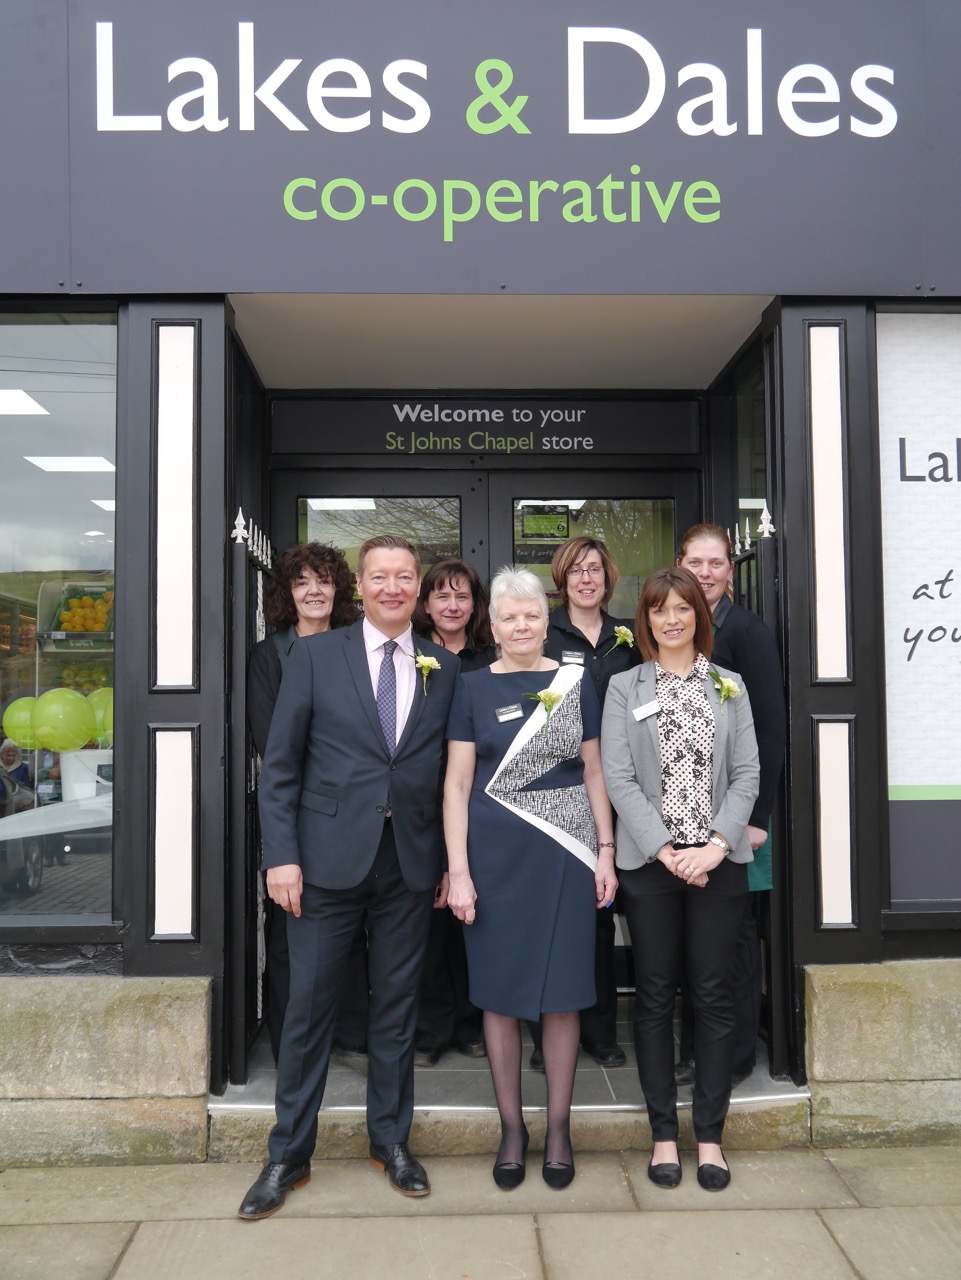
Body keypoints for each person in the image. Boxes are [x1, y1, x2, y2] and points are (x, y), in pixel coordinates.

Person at [238, 535, 460, 1220]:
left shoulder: (444, 668)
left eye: (404, 577)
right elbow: (281, 766)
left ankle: (390, 1141)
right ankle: (287, 1154)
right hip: (322, 863)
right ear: (359, 587)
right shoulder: (314, 656)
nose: (393, 588)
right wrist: (281, 856)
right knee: (307, 1010)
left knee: (396, 1007)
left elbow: (447, 775)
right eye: (379, 577)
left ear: (417, 587)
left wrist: (448, 864)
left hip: (408, 865)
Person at [445, 568, 618, 1191]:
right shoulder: (468, 688)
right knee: (498, 993)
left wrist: (605, 852)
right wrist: (458, 872)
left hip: (567, 855)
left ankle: (561, 1128)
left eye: (532, 616)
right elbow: (457, 785)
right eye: (509, 617)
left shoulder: (576, 680)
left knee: (564, 992)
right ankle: (513, 1129)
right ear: (492, 627)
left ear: (548, 622)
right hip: (493, 862)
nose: (521, 626)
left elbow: (594, 772)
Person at [601, 567, 759, 1192]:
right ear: (646, 619)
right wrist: (666, 851)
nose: (671, 620)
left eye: (682, 608)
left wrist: (715, 846)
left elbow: (747, 773)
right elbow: (618, 777)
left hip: (717, 865)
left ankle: (710, 1136)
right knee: (654, 995)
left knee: (714, 995)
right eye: (659, 609)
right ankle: (663, 1133)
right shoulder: (624, 687)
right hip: (653, 866)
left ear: (700, 615)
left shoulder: (729, 685)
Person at [246, 542, 369, 1071]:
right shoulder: (269, 656)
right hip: (295, 816)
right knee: (291, 933)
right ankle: (291, 1046)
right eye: (302, 582)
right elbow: (271, 742)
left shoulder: (357, 648)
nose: (314, 591)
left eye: (323, 580)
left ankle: (350, 1034)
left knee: (351, 930)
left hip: (354, 815)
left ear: (339, 588)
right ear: (287, 593)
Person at [674, 524, 787, 1086]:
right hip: (687, 813)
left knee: (735, 940)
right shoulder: (677, 625)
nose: (705, 573)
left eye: (716, 563)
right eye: (695, 562)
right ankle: (697, 1052)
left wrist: (756, 818)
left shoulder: (745, 630)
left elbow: (770, 729)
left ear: (730, 570)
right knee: (694, 941)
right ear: (680, 564)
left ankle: (735, 1057)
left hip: (738, 817)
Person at [537, 535, 640, 1070]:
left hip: (621, 791)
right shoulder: (544, 632)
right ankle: (545, 1035)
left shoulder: (630, 637)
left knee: (601, 914)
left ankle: (599, 1031)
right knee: (552, 916)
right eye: (576, 569)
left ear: (607, 578)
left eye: (594, 569)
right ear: (562, 578)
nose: (585, 578)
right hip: (560, 792)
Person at [411, 558, 495, 1066]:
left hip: (476, 801)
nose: (452, 605)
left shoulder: (490, 656)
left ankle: (470, 1024)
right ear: (426, 603)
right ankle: (430, 1030)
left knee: (471, 918)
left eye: (462, 596)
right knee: (428, 920)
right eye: (442, 596)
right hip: (422, 802)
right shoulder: (412, 654)